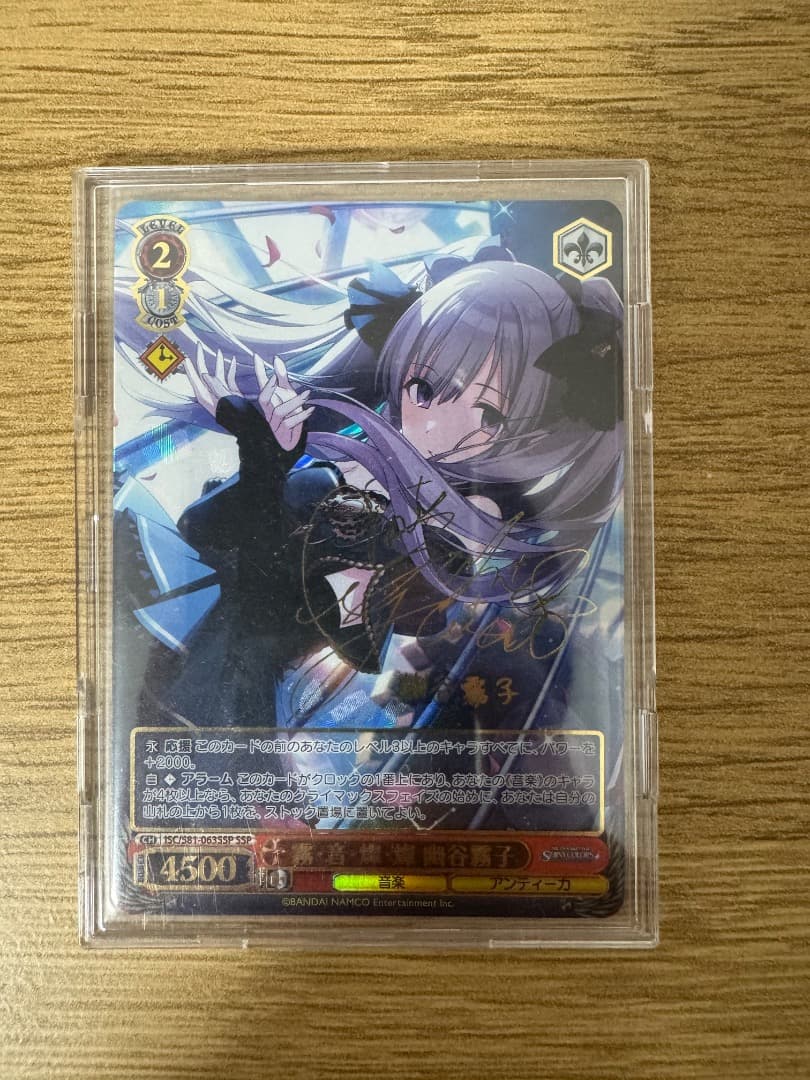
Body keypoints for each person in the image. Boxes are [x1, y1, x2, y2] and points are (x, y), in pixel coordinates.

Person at [116, 258, 624, 727]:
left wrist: (270, 463)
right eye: (424, 389)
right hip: (197, 675)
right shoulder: (350, 464)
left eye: (488, 413)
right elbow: (204, 529)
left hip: (246, 705)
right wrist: (267, 454)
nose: (434, 424)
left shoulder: (460, 521)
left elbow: (345, 624)